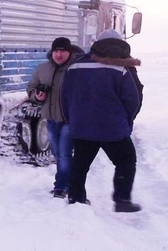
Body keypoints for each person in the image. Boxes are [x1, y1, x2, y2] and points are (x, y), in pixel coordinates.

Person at [60, 30, 142, 212]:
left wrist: (71, 120)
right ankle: (122, 200)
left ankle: (76, 198)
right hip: (113, 128)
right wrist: (127, 120)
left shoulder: (75, 67)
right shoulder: (121, 68)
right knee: (126, 161)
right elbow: (132, 99)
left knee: (80, 164)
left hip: (82, 127)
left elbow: (65, 97)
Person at [26, 37, 83, 198]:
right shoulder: (43, 69)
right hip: (51, 119)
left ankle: (60, 187)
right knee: (58, 154)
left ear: (69, 52)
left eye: (63, 51)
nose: (59, 54)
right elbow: (31, 87)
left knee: (64, 154)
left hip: (69, 120)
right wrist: (37, 96)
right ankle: (71, 182)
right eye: (56, 51)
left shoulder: (76, 69)